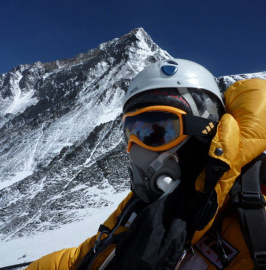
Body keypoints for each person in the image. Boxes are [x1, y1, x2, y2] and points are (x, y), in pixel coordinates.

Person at [26, 59, 266, 270]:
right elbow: (83, 257)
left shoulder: (256, 220)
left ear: (205, 132)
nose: (136, 149)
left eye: (158, 131)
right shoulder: (141, 206)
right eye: (131, 133)